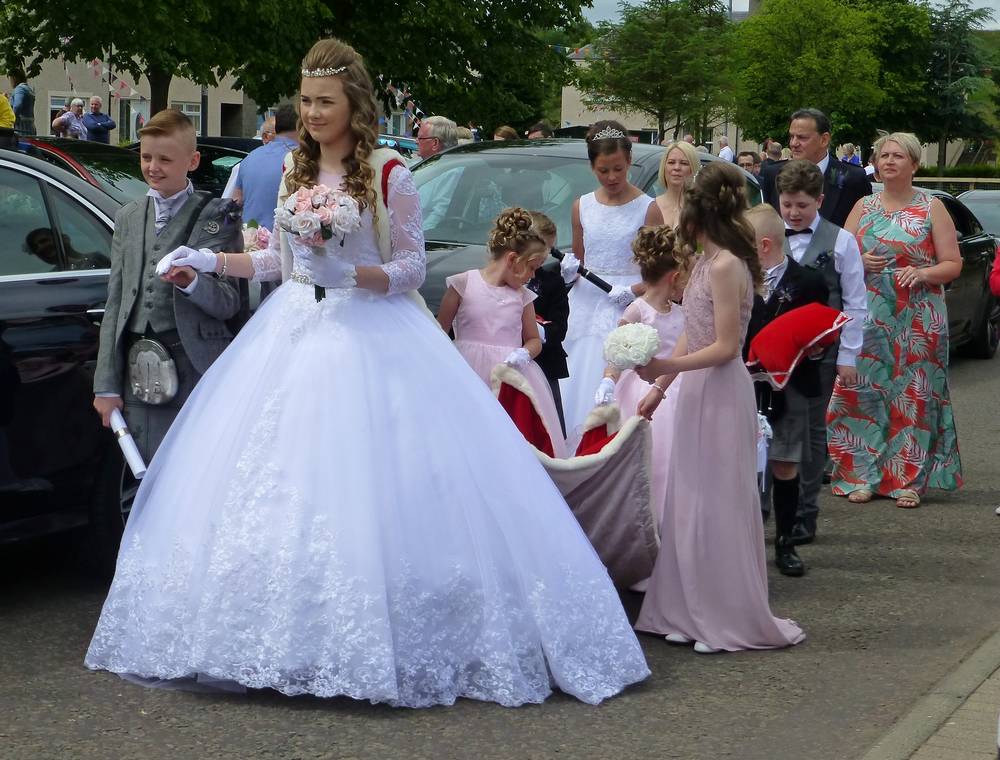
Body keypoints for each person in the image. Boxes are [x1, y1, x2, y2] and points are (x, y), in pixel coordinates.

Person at [84, 37, 650, 707]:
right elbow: (279, 266)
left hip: (376, 333)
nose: (313, 112)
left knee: (386, 479)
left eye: (325, 101)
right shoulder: (295, 168)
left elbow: (411, 268)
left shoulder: (390, 173)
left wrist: (349, 272)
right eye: (305, 100)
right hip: (294, 331)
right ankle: (275, 639)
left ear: (354, 102)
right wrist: (212, 264)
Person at [633, 161, 804, 653]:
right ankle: (687, 608)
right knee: (688, 499)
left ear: (697, 212)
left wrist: (667, 364)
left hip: (722, 390)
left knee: (717, 501)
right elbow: (694, 328)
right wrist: (660, 386)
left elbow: (727, 346)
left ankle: (722, 614)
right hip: (694, 390)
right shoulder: (706, 261)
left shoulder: (727, 264)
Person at [90, 108, 244, 462]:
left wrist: (192, 283)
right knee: (145, 471)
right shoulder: (127, 217)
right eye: (146, 157)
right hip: (139, 372)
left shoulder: (216, 215)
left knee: (197, 470)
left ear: (193, 160)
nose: (153, 167)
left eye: (165, 159)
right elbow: (115, 301)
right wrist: (106, 383)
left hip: (197, 366)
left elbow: (229, 303)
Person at [827, 133, 963, 509]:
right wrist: (858, 260)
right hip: (868, 313)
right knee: (861, 394)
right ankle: (859, 475)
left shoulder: (931, 206)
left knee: (913, 399)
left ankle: (907, 480)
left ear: (914, 164)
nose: (888, 161)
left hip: (919, 317)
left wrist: (923, 273)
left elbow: (953, 264)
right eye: (883, 155)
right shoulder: (862, 205)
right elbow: (836, 256)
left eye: (897, 156)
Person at [775, 159, 867, 544]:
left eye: (803, 206)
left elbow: (855, 303)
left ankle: (804, 513)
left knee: (812, 432)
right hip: (772, 353)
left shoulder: (841, 241)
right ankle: (769, 509)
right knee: (771, 428)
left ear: (820, 201)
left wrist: (848, 357)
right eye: (787, 205)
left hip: (820, 354)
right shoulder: (767, 237)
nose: (794, 214)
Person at [559, 120, 664, 435]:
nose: (612, 177)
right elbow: (580, 260)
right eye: (603, 170)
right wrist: (569, 271)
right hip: (586, 304)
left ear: (629, 162)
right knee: (578, 377)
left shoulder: (649, 209)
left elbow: (663, 270)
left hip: (628, 303)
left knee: (622, 371)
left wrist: (633, 289)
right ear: (592, 167)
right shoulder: (582, 207)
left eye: (618, 168)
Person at [437, 207, 567, 457]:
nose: (531, 276)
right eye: (531, 267)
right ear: (511, 259)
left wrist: (524, 353)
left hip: (510, 375)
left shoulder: (523, 297)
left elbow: (533, 339)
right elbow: (440, 332)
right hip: (467, 373)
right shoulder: (462, 284)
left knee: (508, 440)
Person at [744, 204, 829, 576]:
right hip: (744, 383)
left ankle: (786, 543)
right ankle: (743, 541)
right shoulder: (739, 278)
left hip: (790, 383)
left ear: (764, 245)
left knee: (785, 462)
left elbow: (821, 330)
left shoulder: (809, 281)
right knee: (743, 463)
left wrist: (817, 347)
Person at [594, 225, 685, 534]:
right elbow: (618, 352)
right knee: (650, 461)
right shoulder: (637, 310)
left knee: (674, 463)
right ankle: (641, 529)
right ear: (674, 277)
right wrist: (608, 379)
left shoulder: (682, 312)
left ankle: (670, 525)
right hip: (640, 392)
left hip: (676, 389)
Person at [759, 108, 872, 228]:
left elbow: (866, 228)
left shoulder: (852, 177)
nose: (793, 143)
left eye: (802, 137)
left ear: (824, 140)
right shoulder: (774, 174)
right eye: (792, 136)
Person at [527, 211, 571, 435]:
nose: (546, 254)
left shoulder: (553, 282)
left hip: (544, 363)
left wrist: (535, 330)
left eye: (549, 248)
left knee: (548, 428)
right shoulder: (502, 280)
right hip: (506, 359)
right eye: (542, 246)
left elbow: (559, 328)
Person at [232, 104, 297, 230]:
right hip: (283, 243)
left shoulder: (249, 157)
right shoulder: (303, 159)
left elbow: (236, 201)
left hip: (249, 240)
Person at [655, 140, 699, 228]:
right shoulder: (650, 207)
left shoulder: (702, 209)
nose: (677, 168)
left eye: (684, 163)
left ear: (693, 168)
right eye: (671, 162)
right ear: (664, 167)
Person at [9, 67, 35, 135]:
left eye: (11, 79)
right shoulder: (29, 89)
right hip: (30, 127)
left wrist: (12, 120)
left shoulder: (19, 89)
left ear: (15, 78)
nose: (10, 82)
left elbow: (17, 106)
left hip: (21, 129)